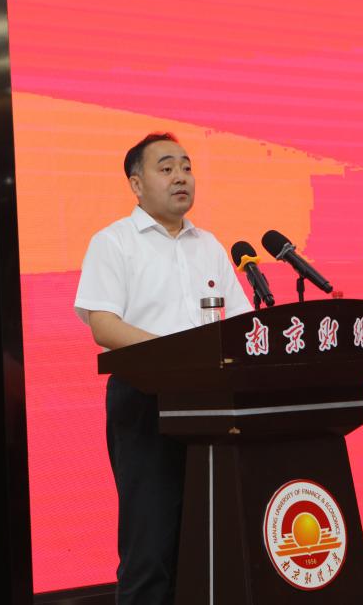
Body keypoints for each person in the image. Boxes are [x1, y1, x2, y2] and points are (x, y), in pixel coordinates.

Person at [73, 132, 252, 604]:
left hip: (212, 406)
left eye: (187, 167)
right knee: (150, 546)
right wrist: (175, 355)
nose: (181, 177)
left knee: (208, 539)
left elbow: (241, 323)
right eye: (167, 168)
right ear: (136, 184)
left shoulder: (209, 245)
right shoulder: (113, 242)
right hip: (145, 402)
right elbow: (104, 325)